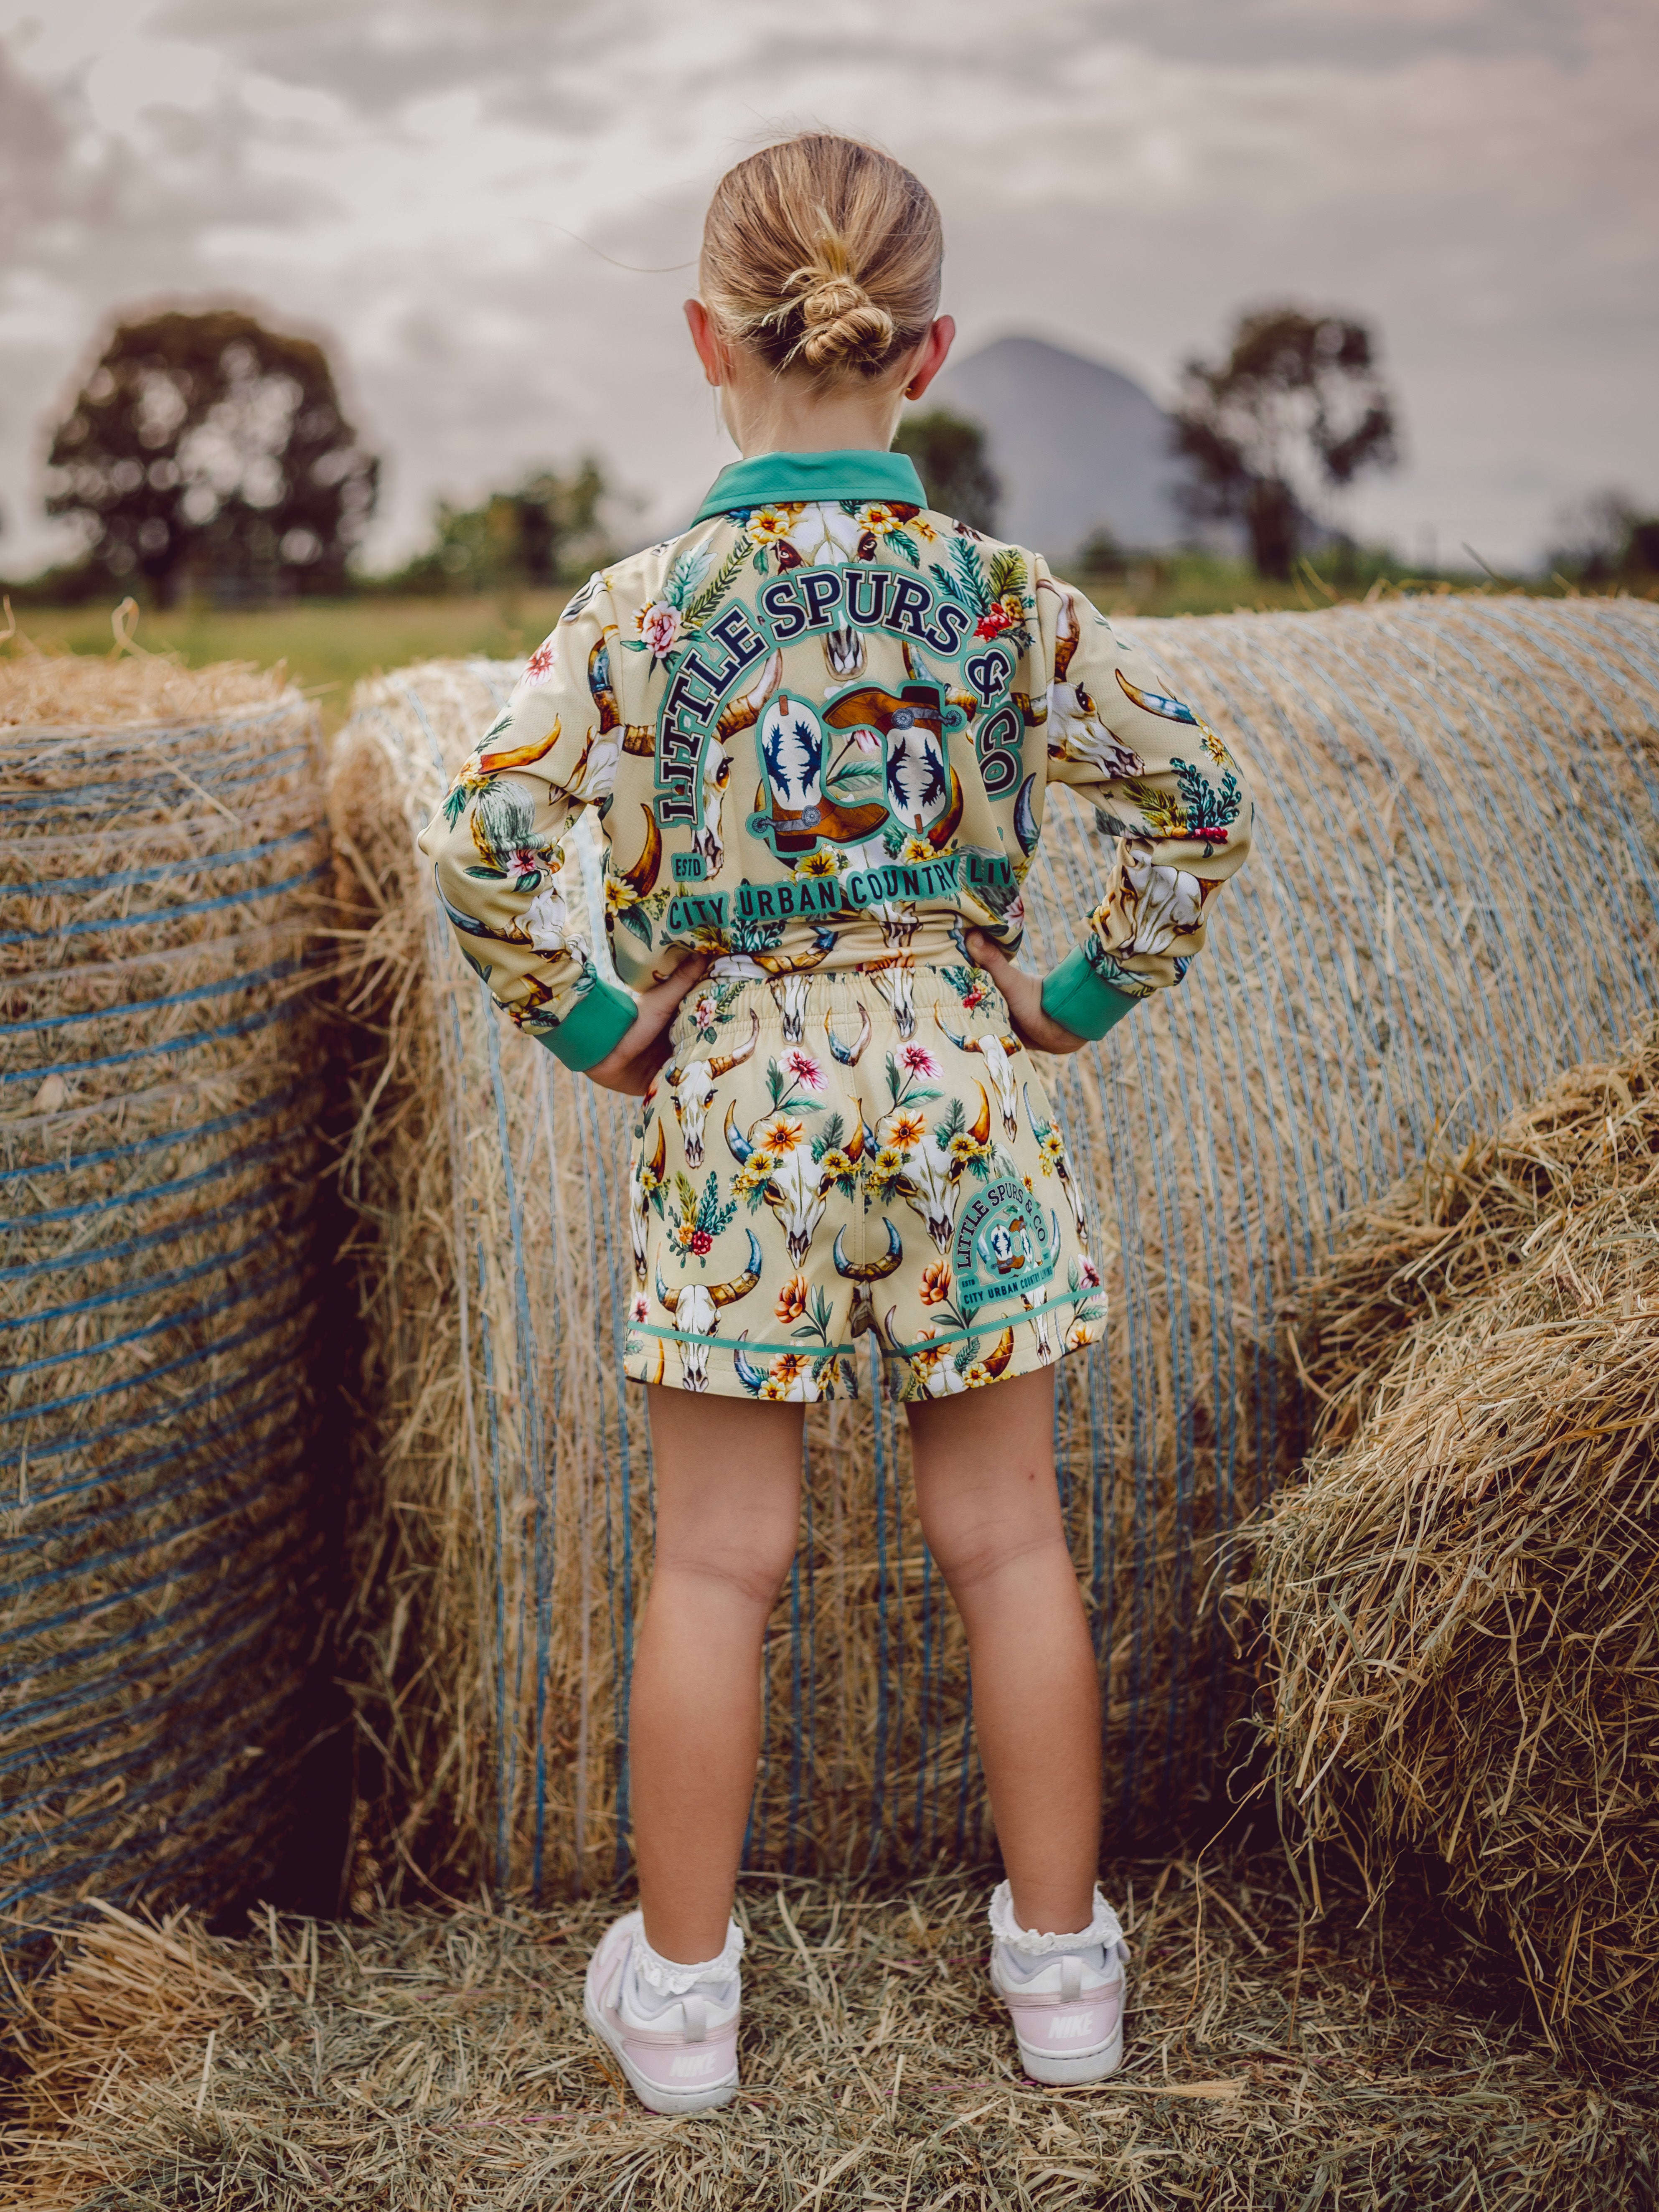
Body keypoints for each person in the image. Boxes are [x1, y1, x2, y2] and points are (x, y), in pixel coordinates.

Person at [417, 132, 1252, 2113]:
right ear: (931, 352)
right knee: (1010, 1539)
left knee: (717, 1563)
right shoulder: (1005, 598)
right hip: (966, 1081)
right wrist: (1074, 992)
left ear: (707, 338)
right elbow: (1197, 798)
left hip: (735, 1101)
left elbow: (481, 836)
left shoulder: (642, 605)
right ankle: (1062, 1982)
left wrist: (594, 1018)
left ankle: (684, 2008)